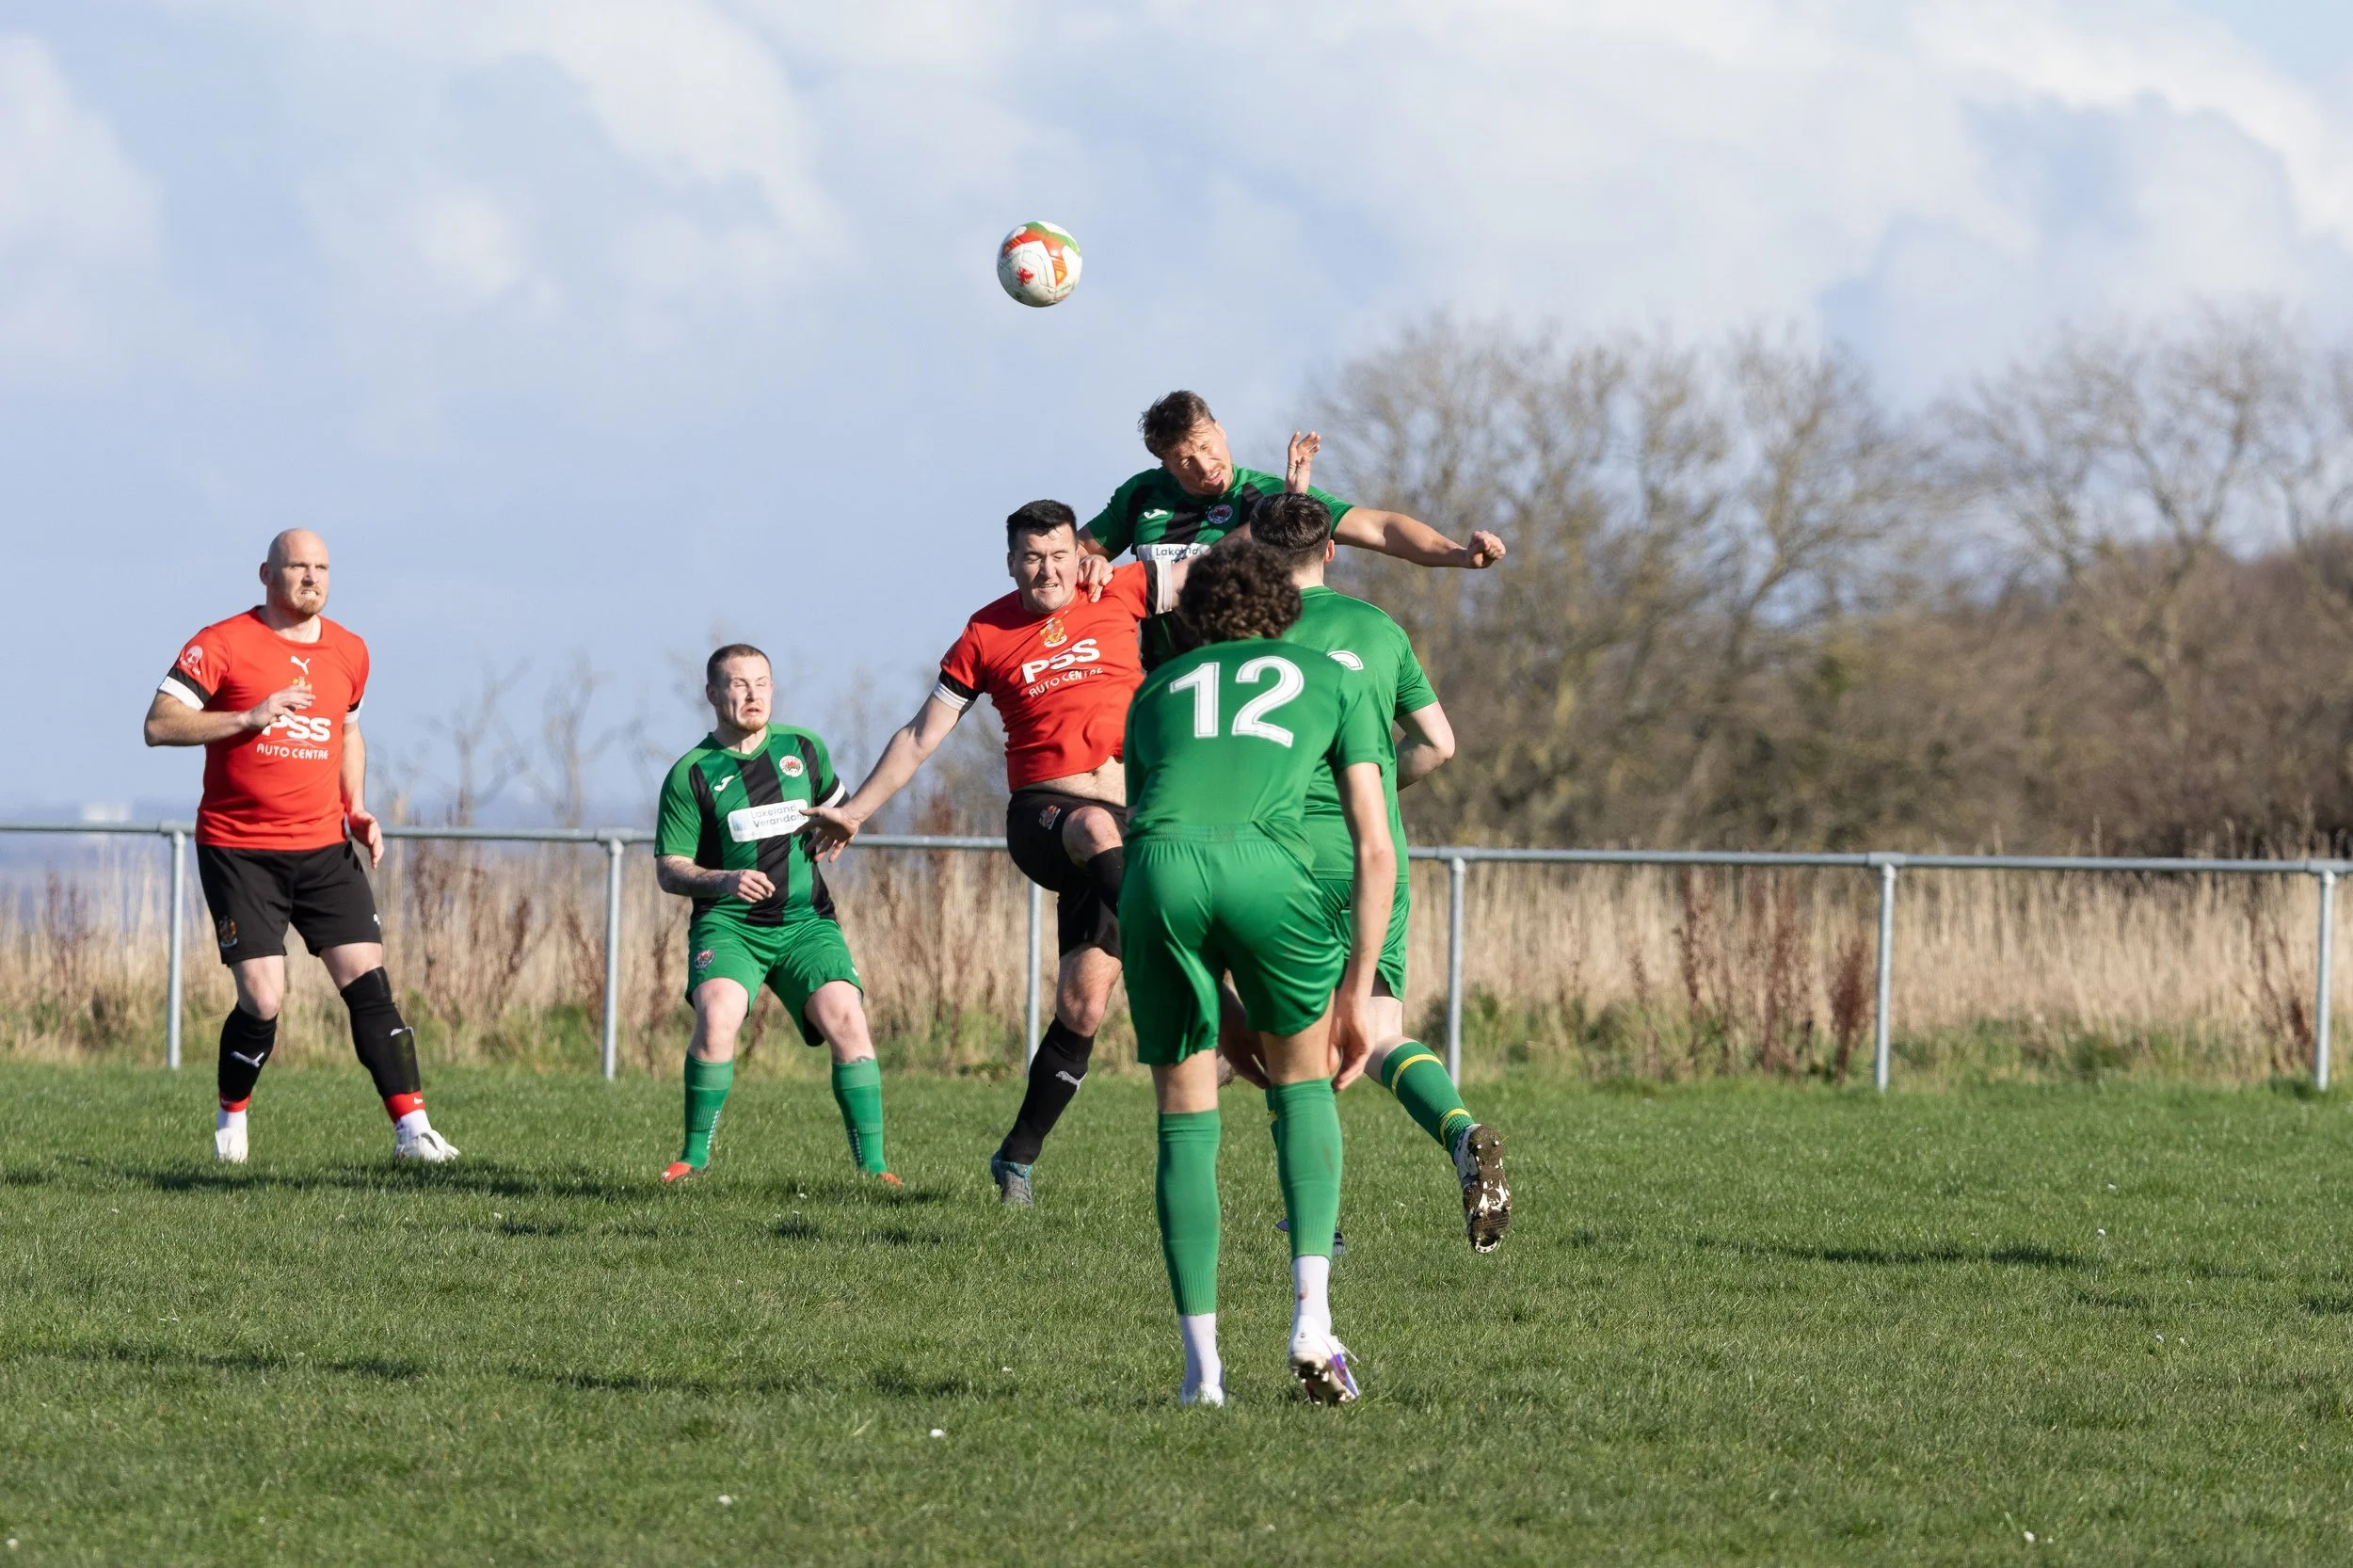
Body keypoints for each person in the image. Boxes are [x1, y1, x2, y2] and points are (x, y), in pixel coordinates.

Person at [808, 501, 1172, 1206]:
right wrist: (854, 811)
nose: (1047, 569)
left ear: (1079, 552)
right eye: (1032, 557)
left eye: (1059, 554)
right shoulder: (985, 632)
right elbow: (920, 736)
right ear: (1011, 563)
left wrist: (1287, 494)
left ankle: (1016, 1158)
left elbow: (1229, 566)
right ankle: (1177, 955)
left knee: (1084, 1004)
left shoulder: (1122, 589)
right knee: (1096, 833)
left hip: (1130, 827)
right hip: (1047, 817)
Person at [1121, 537, 1396, 1407]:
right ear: (1285, 610)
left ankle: (1203, 1375)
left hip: (1159, 869)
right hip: (1271, 873)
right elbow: (1374, 845)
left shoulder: (1154, 690)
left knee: (1183, 1112)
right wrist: (1356, 991)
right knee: (1303, 1083)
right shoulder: (1334, 678)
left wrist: (1222, 1013)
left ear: (1194, 614)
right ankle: (1312, 1318)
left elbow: (1163, 814)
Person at [1235, 491, 1512, 1251]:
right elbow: (1438, 744)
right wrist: (1379, 786)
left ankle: (1312, 1217)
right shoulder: (1378, 629)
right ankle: (1459, 1133)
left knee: (1285, 1038)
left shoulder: (1243, 633)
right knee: (1382, 1029)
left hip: (1279, 852)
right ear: (1331, 551)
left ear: (1256, 553)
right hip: (1371, 854)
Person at [142, 529, 457, 1164]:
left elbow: (347, 733)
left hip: (322, 847)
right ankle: (232, 1120)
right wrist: (246, 719)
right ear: (267, 573)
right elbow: (158, 725)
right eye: (297, 567)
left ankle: (413, 1131)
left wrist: (358, 806)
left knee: (369, 983)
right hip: (239, 848)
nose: (311, 578)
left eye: (322, 568)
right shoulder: (221, 643)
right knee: (262, 998)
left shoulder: (350, 650)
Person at [653, 645, 897, 1187]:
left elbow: (840, 807)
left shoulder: (804, 748)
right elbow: (670, 870)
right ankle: (692, 1158)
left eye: (761, 682)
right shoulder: (692, 773)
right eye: (737, 684)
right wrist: (723, 880)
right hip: (729, 924)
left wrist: (840, 825)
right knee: (716, 1018)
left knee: (848, 1020)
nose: (752, 693)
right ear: (712, 694)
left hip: (806, 922)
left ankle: (875, 1171)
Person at [1074, 390, 1508, 664]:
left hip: (1247, 671)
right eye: (1185, 460)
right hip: (1163, 679)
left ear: (1221, 430)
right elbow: (1072, 553)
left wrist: (1458, 555)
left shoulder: (1272, 498)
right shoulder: (1141, 496)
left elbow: (1383, 529)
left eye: (1207, 446)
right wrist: (1089, 563)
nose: (1204, 466)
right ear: (1164, 463)